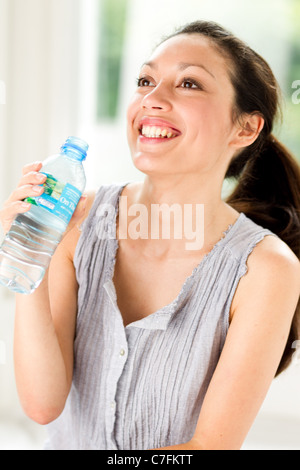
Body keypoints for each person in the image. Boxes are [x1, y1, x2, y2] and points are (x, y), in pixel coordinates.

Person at [1, 20, 300, 451]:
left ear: (246, 128)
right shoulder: (74, 221)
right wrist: (32, 254)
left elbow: (209, 448)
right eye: (145, 80)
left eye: (190, 84)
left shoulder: (265, 269)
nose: (152, 99)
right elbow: (43, 405)